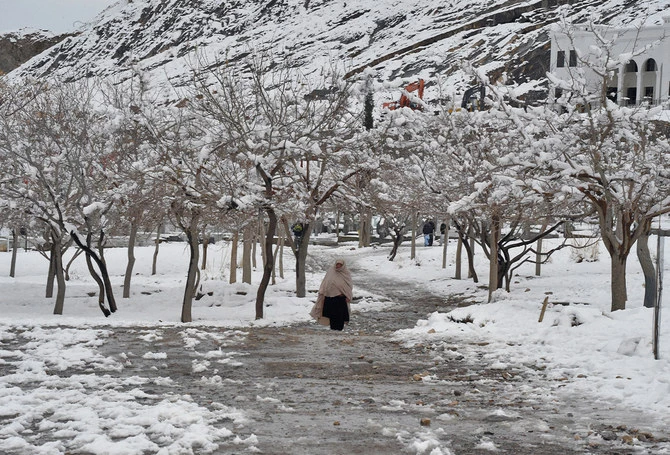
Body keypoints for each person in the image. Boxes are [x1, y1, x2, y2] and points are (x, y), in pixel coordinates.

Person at [310, 258, 353, 331]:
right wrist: (323, 291)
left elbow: (348, 286)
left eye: (340, 265)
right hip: (330, 297)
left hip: (340, 298)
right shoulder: (331, 271)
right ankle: (333, 327)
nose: (338, 266)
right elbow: (326, 281)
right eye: (337, 264)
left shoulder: (346, 273)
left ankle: (339, 328)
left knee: (340, 314)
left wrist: (348, 296)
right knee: (331, 314)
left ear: (343, 265)